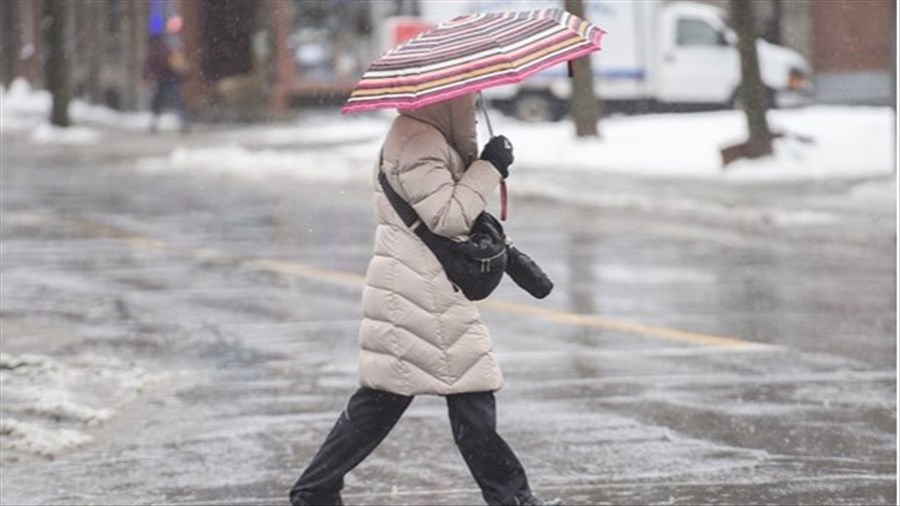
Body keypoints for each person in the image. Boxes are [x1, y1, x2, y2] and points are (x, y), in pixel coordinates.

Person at [288, 93, 562, 506]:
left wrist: (478, 165)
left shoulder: (426, 136)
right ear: (449, 98)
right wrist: (489, 168)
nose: (472, 104)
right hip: (419, 288)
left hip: (419, 283)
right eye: (467, 96)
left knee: (389, 399)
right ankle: (512, 499)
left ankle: (315, 490)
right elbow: (448, 217)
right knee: (463, 393)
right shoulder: (417, 141)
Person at [143, 34, 189, 133]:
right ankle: (181, 123)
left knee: (165, 102)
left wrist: (149, 75)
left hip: (167, 79)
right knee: (170, 102)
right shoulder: (166, 52)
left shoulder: (167, 52)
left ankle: (182, 123)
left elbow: (181, 68)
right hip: (166, 80)